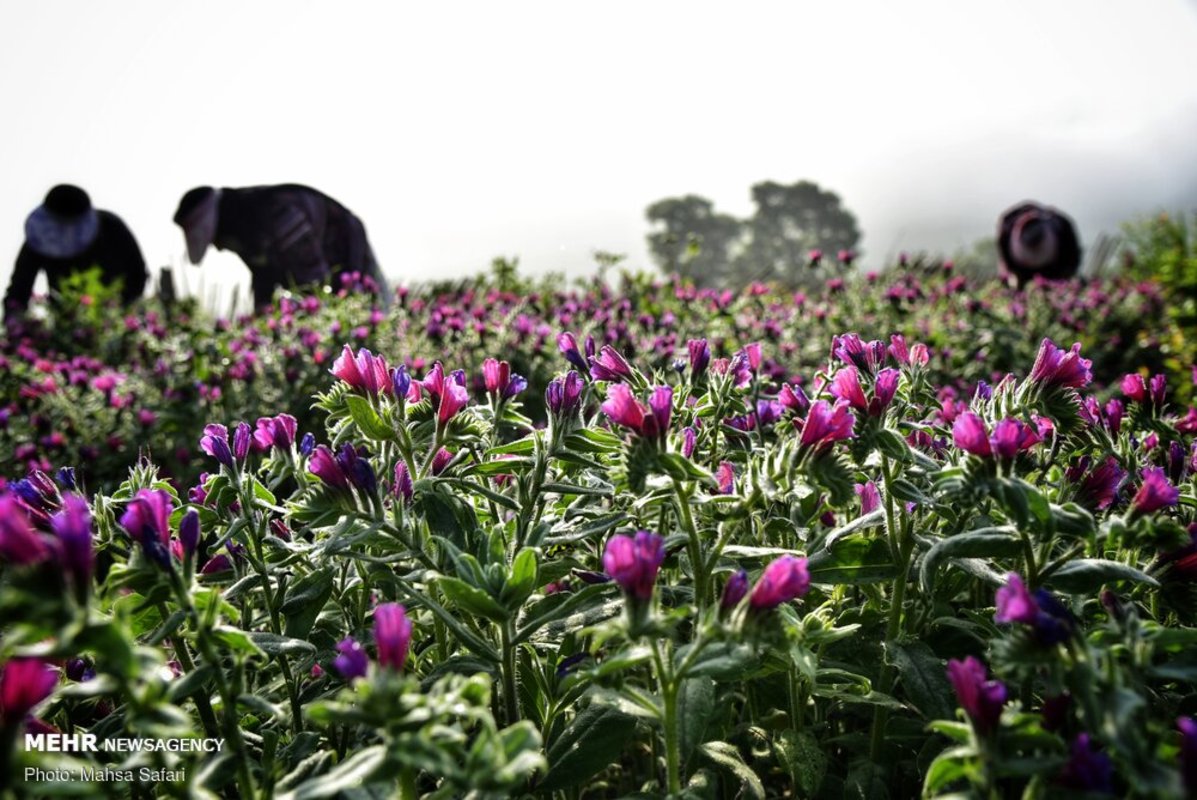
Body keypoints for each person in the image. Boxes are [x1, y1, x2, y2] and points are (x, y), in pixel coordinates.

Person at [173, 184, 388, 309]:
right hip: (328, 264)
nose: (218, 247)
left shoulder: (278, 214)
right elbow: (263, 284)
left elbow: (315, 284)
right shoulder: (250, 235)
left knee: (372, 308)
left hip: (347, 248)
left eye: (214, 239)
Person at [4, 185, 147, 322]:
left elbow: (138, 273)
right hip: (67, 324)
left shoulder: (111, 227)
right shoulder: (40, 237)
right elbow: (19, 290)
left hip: (115, 318)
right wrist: (14, 328)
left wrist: (119, 311)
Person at [997, 201, 1081, 288]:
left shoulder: (1063, 229)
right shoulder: (1007, 230)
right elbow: (1007, 266)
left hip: (1057, 269)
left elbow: (1073, 261)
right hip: (1021, 272)